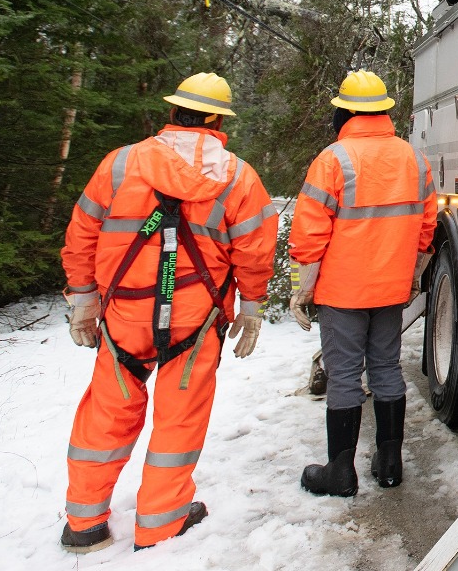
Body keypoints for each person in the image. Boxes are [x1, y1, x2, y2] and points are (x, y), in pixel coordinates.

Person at [57, 72, 279, 552]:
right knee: (180, 417)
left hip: (124, 316)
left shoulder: (119, 165)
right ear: (219, 120)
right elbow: (256, 250)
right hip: (195, 321)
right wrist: (253, 305)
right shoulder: (239, 177)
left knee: (107, 412)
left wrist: (82, 299)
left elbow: (82, 234)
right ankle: (160, 523)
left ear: (173, 111)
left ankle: (84, 523)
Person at [288, 69, 436, 497]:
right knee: (387, 369)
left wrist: (303, 289)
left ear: (346, 113)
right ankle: (390, 465)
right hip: (391, 291)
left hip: (342, 292)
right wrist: (411, 277)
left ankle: (340, 473)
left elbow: (310, 235)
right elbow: (426, 228)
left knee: (345, 375)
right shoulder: (413, 158)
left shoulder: (333, 159)